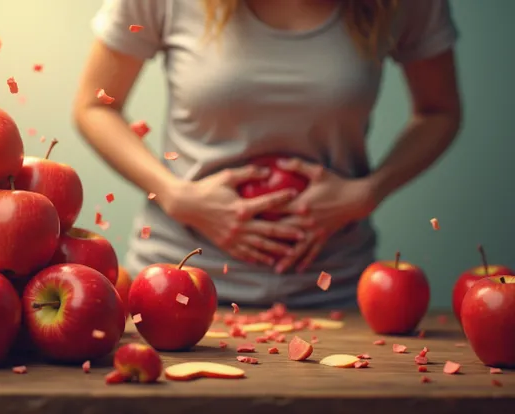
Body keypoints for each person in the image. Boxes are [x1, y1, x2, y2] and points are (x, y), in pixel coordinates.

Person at [72, 0, 461, 308]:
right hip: (174, 285)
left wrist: (368, 192)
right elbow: (95, 105)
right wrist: (176, 197)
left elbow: (438, 111)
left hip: (333, 290)